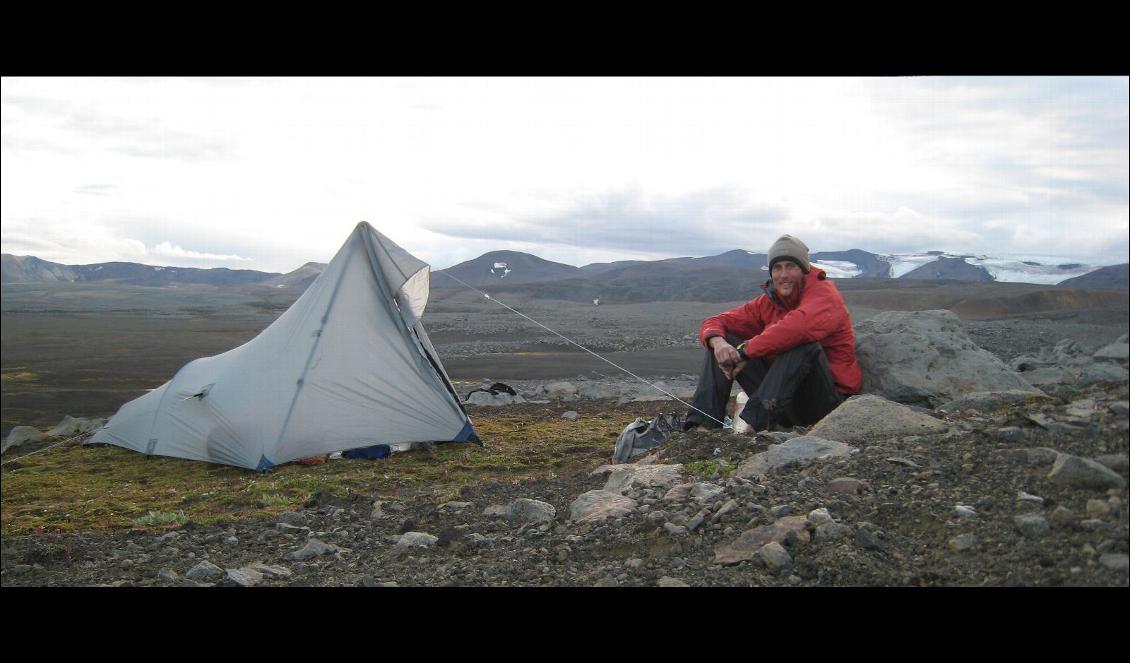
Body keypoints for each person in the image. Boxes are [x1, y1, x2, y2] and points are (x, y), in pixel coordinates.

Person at [683, 234, 862, 432]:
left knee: (802, 343)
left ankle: (753, 427)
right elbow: (717, 321)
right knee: (725, 343)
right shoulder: (768, 302)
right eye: (777, 268)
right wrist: (718, 342)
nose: (783, 275)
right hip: (781, 400)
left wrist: (745, 352)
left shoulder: (825, 295)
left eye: (790, 266)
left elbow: (798, 328)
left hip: (824, 402)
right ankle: (702, 427)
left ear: (804, 270)